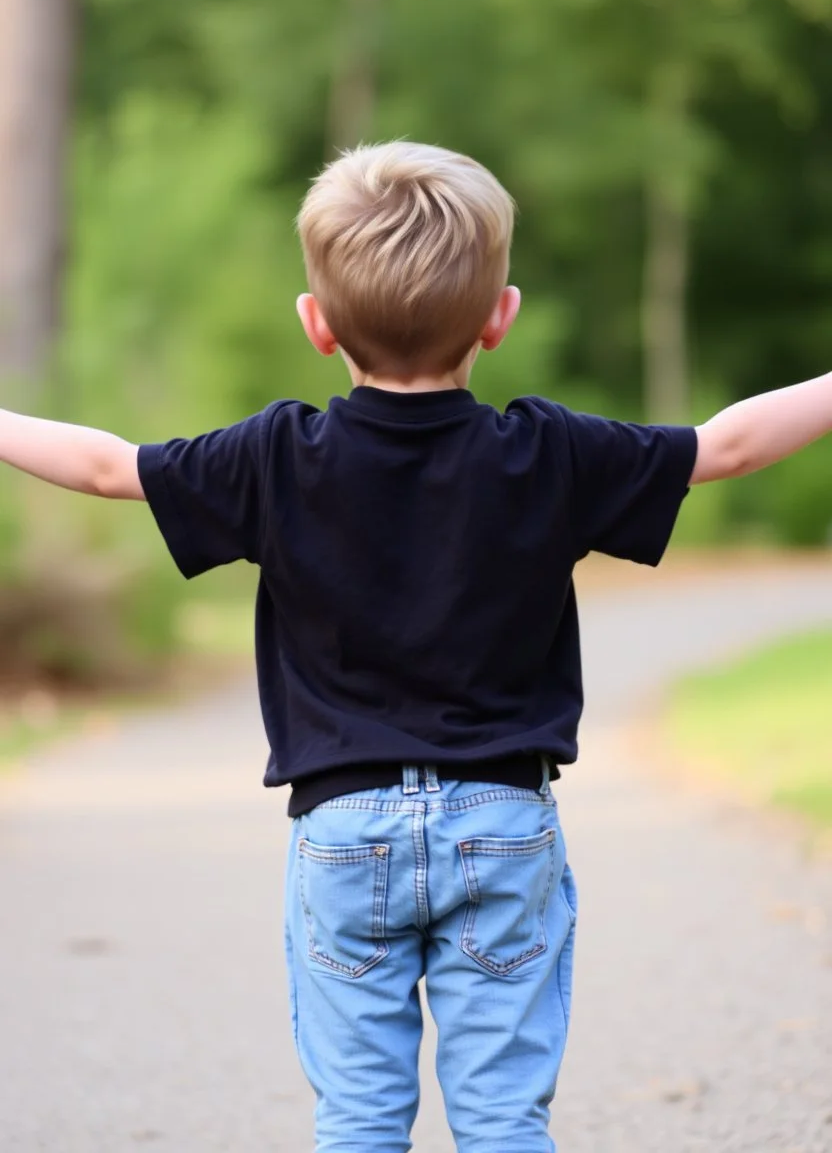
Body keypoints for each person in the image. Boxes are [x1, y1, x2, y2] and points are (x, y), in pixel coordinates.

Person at [1, 141, 831, 1153]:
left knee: (357, 1118)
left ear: (316, 326)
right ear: (500, 315)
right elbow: (728, 445)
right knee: (500, 1118)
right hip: (502, 819)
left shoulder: (276, 458)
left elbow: (101, 468)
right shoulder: (546, 451)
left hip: (343, 830)